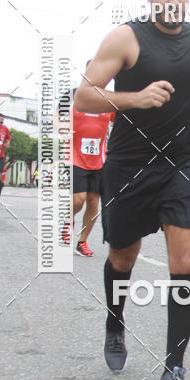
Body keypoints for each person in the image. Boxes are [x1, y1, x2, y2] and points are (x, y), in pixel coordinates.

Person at [74, 0, 190, 380]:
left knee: (186, 258)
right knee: (123, 254)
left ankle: (173, 370)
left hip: (181, 162)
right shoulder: (126, 38)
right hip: (130, 163)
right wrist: (135, 98)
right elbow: (83, 94)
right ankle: (115, 321)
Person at [62, 65, 113, 256]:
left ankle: (82, 242)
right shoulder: (73, 95)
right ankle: (68, 221)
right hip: (75, 156)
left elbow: (121, 120)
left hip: (99, 159)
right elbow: (57, 118)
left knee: (93, 202)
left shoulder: (109, 99)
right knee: (78, 199)